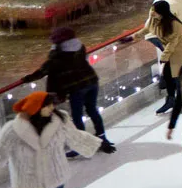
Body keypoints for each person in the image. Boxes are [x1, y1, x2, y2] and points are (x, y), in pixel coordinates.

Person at [16, 26, 115, 154]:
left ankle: (81, 145)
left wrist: (26, 79)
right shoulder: (80, 47)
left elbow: (43, 71)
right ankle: (102, 138)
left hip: (77, 87)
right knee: (92, 110)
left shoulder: (58, 55)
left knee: (77, 116)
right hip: (92, 81)